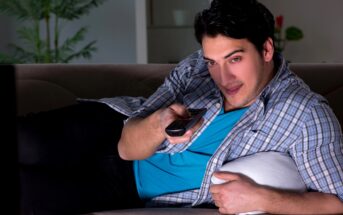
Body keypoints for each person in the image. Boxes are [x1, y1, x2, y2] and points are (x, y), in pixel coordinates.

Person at [18, 0, 343, 214]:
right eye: (213, 61)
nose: (223, 76)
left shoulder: (306, 115)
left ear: (267, 49)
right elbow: (127, 148)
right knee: (28, 143)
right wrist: (159, 123)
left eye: (235, 59)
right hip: (109, 130)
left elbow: (337, 201)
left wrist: (262, 198)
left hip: (127, 188)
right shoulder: (196, 69)